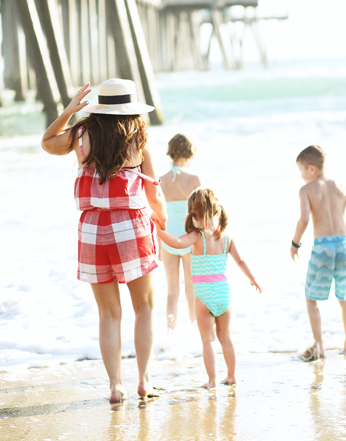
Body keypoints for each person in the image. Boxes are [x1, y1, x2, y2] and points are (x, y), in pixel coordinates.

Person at [41, 79, 167, 401]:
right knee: (145, 308)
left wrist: (70, 110)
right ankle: (144, 380)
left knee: (109, 314)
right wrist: (161, 223)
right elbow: (154, 194)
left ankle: (115, 386)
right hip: (131, 226)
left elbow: (47, 142)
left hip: (93, 228)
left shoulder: (81, 136)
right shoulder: (139, 140)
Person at [156, 188, 261, 388]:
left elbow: (177, 243)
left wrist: (159, 231)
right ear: (218, 212)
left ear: (193, 216)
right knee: (226, 336)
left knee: (208, 341)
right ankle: (232, 376)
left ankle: (212, 381)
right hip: (224, 293)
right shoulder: (227, 238)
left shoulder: (196, 237)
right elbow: (241, 261)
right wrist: (252, 278)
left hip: (203, 295)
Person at [290, 145, 346, 361]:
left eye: (301, 171)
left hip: (323, 247)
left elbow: (304, 219)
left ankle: (319, 347)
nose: (300, 176)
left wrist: (295, 243)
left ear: (311, 169)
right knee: (345, 296)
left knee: (311, 298)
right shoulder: (343, 185)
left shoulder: (306, 190)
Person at [158, 134, 201, 330]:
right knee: (190, 290)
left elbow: (158, 215)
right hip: (188, 241)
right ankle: (194, 330)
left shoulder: (160, 180)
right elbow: (202, 214)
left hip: (167, 240)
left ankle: (170, 334)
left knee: (172, 292)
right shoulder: (193, 179)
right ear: (189, 154)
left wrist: (159, 245)